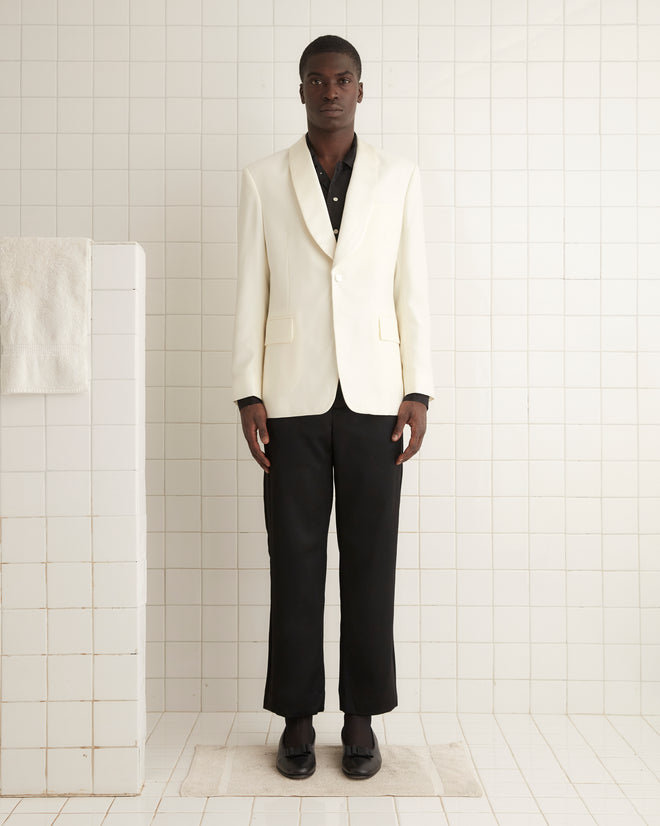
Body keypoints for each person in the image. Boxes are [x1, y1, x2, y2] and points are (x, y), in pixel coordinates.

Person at [232, 35, 434, 780]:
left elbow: (412, 289)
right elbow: (250, 289)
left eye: (342, 78)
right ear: (300, 90)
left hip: (379, 396)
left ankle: (360, 717)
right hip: (289, 397)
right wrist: (247, 389)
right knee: (295, 561)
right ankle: (294, 716)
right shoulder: (263, 180)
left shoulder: (398, 178)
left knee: (371, 561)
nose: (330, 90)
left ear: (360, 87)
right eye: (316, 80)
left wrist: (418, 387)